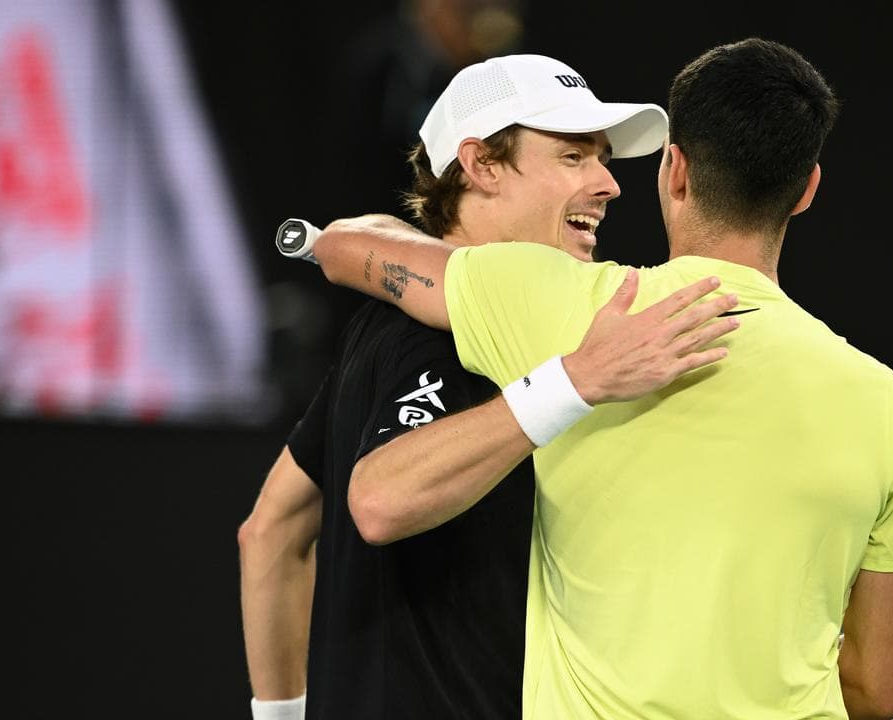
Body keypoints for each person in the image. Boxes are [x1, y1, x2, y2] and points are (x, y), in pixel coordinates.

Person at [292, 39, 893, 720]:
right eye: (574, 156)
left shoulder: (557, 305)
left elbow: (352, 251)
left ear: (675, 171)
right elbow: (879, 686)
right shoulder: (889, 407)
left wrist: (316, 240)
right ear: (806, 190)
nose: (605, 182)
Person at [239, 53, 738, 720]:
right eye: (573, 156)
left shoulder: (381, 329)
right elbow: (380, 500)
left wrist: (280, 717)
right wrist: (575, 381)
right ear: (481, 165)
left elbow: (269, 533)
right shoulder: (447, 340)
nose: (608, 184)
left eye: (602, 158)